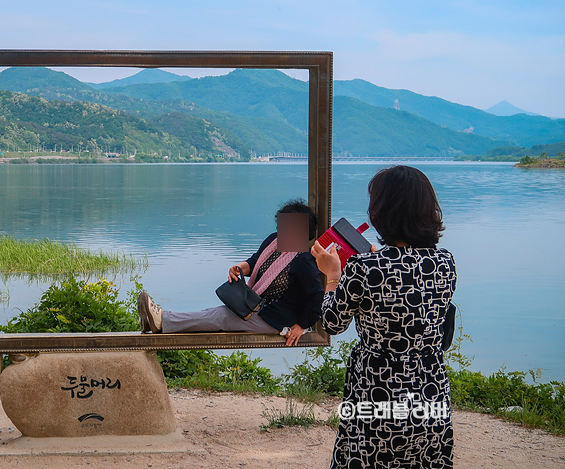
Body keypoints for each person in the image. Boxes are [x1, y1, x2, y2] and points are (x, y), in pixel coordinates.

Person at [311, 166, 455, 469]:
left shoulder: (365, 267)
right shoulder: (445, 262)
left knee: (369, 457)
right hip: (430, 380)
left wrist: (333, 275)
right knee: (425, 458)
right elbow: (409, 288)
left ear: (381, 212)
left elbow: (333, 323)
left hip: (378, 382)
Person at [137, 200, 325, 347]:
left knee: (221, 317)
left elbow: (316, 295)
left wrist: (301, 326)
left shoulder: (303, 259)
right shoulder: (274, 241)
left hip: (275, 319)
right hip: (254, 305)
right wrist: (239, 268)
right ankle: (158, 322)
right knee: (216, 314)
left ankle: (162, 320)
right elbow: (254, 261)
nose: (280, 228)